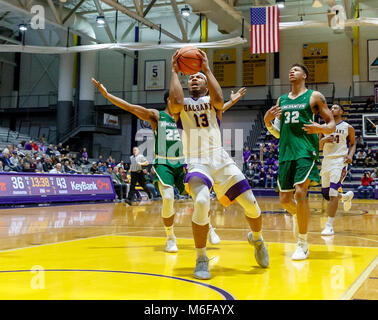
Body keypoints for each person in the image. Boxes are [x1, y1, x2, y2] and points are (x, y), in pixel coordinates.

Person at [169, 49, 269, 280]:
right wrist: (174, 71)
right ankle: (201, 257)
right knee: (202, 200)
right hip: (195, 160)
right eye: (190, 77)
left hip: (220, 159)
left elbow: (220, 99)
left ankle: (257, 239)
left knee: (252, 207)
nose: (193, 79)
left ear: (206, 84)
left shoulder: (214, 104)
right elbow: (174, 102)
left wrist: (206, 68)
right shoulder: (180, 103)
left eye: (198, 78)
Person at [93, 79, 221, 252]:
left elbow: (215, 110)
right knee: (168, 198)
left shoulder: (187, 115)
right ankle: (170, 237)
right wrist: (107, 95)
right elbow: (131, 107)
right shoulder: (157, 115)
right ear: (170, 100)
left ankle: (210, 228)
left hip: (185, 163)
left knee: (200, 198)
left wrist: (232, 101)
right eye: (177, 98)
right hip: (163, 162)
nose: (181, 100)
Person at [264, 63, 335, 260]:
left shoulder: (314, 96)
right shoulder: (282, 100)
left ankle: (302, 243)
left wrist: (320, 129)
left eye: (296, 70)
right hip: (286, 152)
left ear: (304, 75)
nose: (291, 71)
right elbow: (277, 132)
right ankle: (301, 216)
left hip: (306, 150)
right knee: (285, 200)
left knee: (300, 192)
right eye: (290, 69)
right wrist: (266, 121)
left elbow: (331, 124)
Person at [318, 104, 356, 236]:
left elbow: (353, 143)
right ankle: (345, 197)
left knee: (333, 193)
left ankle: (329, 226)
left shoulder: (348, 127)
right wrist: (324, 139)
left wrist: (350, 155)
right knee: (326, 194)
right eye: (331, 108)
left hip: (340, 161)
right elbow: (319, 146)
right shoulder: (323, 127)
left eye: (335, 108)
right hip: (326, 160)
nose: (332, 109)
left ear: (341, 111)